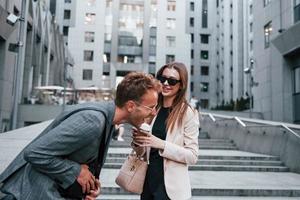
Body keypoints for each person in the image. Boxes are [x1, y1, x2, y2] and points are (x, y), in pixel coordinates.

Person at [0, 72, 161, 200]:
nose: (154, 113)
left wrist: (88, 186)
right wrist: (77, 171)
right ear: (131, 106)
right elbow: (34, 153)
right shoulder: (92, 121)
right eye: (151, 107)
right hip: (26, 193)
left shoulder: (107, 121)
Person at [132, 62, 200, 200]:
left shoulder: (187, 113)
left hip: (170, 190)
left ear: (181, 85)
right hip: (147, 184)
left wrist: (161, 144)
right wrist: (138, 142)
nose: (166, 83)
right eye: (162, 79)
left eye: (172, 81)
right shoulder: (151, 109)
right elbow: (142, 153)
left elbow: (192, 156)